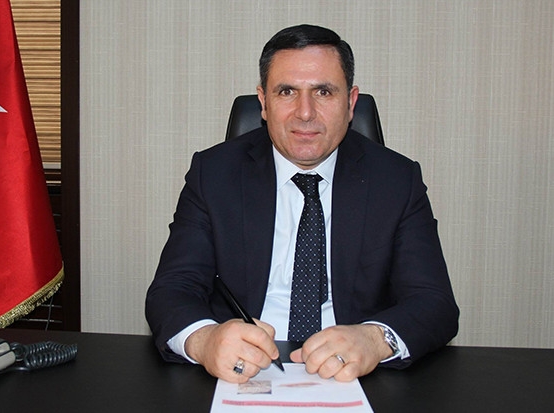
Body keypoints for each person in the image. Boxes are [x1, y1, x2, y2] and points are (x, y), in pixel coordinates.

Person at [145, 24, 459, 384]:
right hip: (243, 372)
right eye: (287, 92)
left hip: (353, 373)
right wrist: (205, 341)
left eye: (323, 92)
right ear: (264, 103)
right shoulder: (214, 174)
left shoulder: (397, 180)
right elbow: (172, 289)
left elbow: (434, 303)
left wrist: (375, 340)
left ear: (351, 102)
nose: (305, 112)